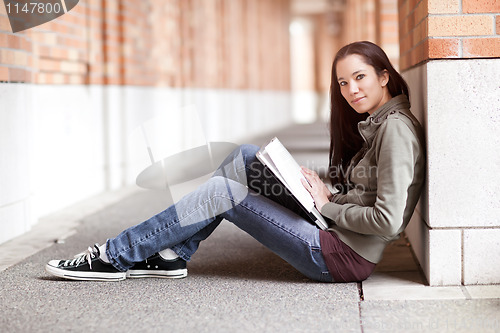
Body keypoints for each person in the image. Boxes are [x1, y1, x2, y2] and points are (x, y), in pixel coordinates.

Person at [45, 41, 425, 283]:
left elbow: (387, 221)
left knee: (222, 193)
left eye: (359, 77)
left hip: (341, 256)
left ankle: (114, 255)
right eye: (343, 83)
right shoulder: (379, 124)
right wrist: (329, 197)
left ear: (384, 76)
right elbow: (366, 195)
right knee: (245, 155)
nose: (351, 90)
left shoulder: (395, 131)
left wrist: (327, 205)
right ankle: (174, 254)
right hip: (333, 228)